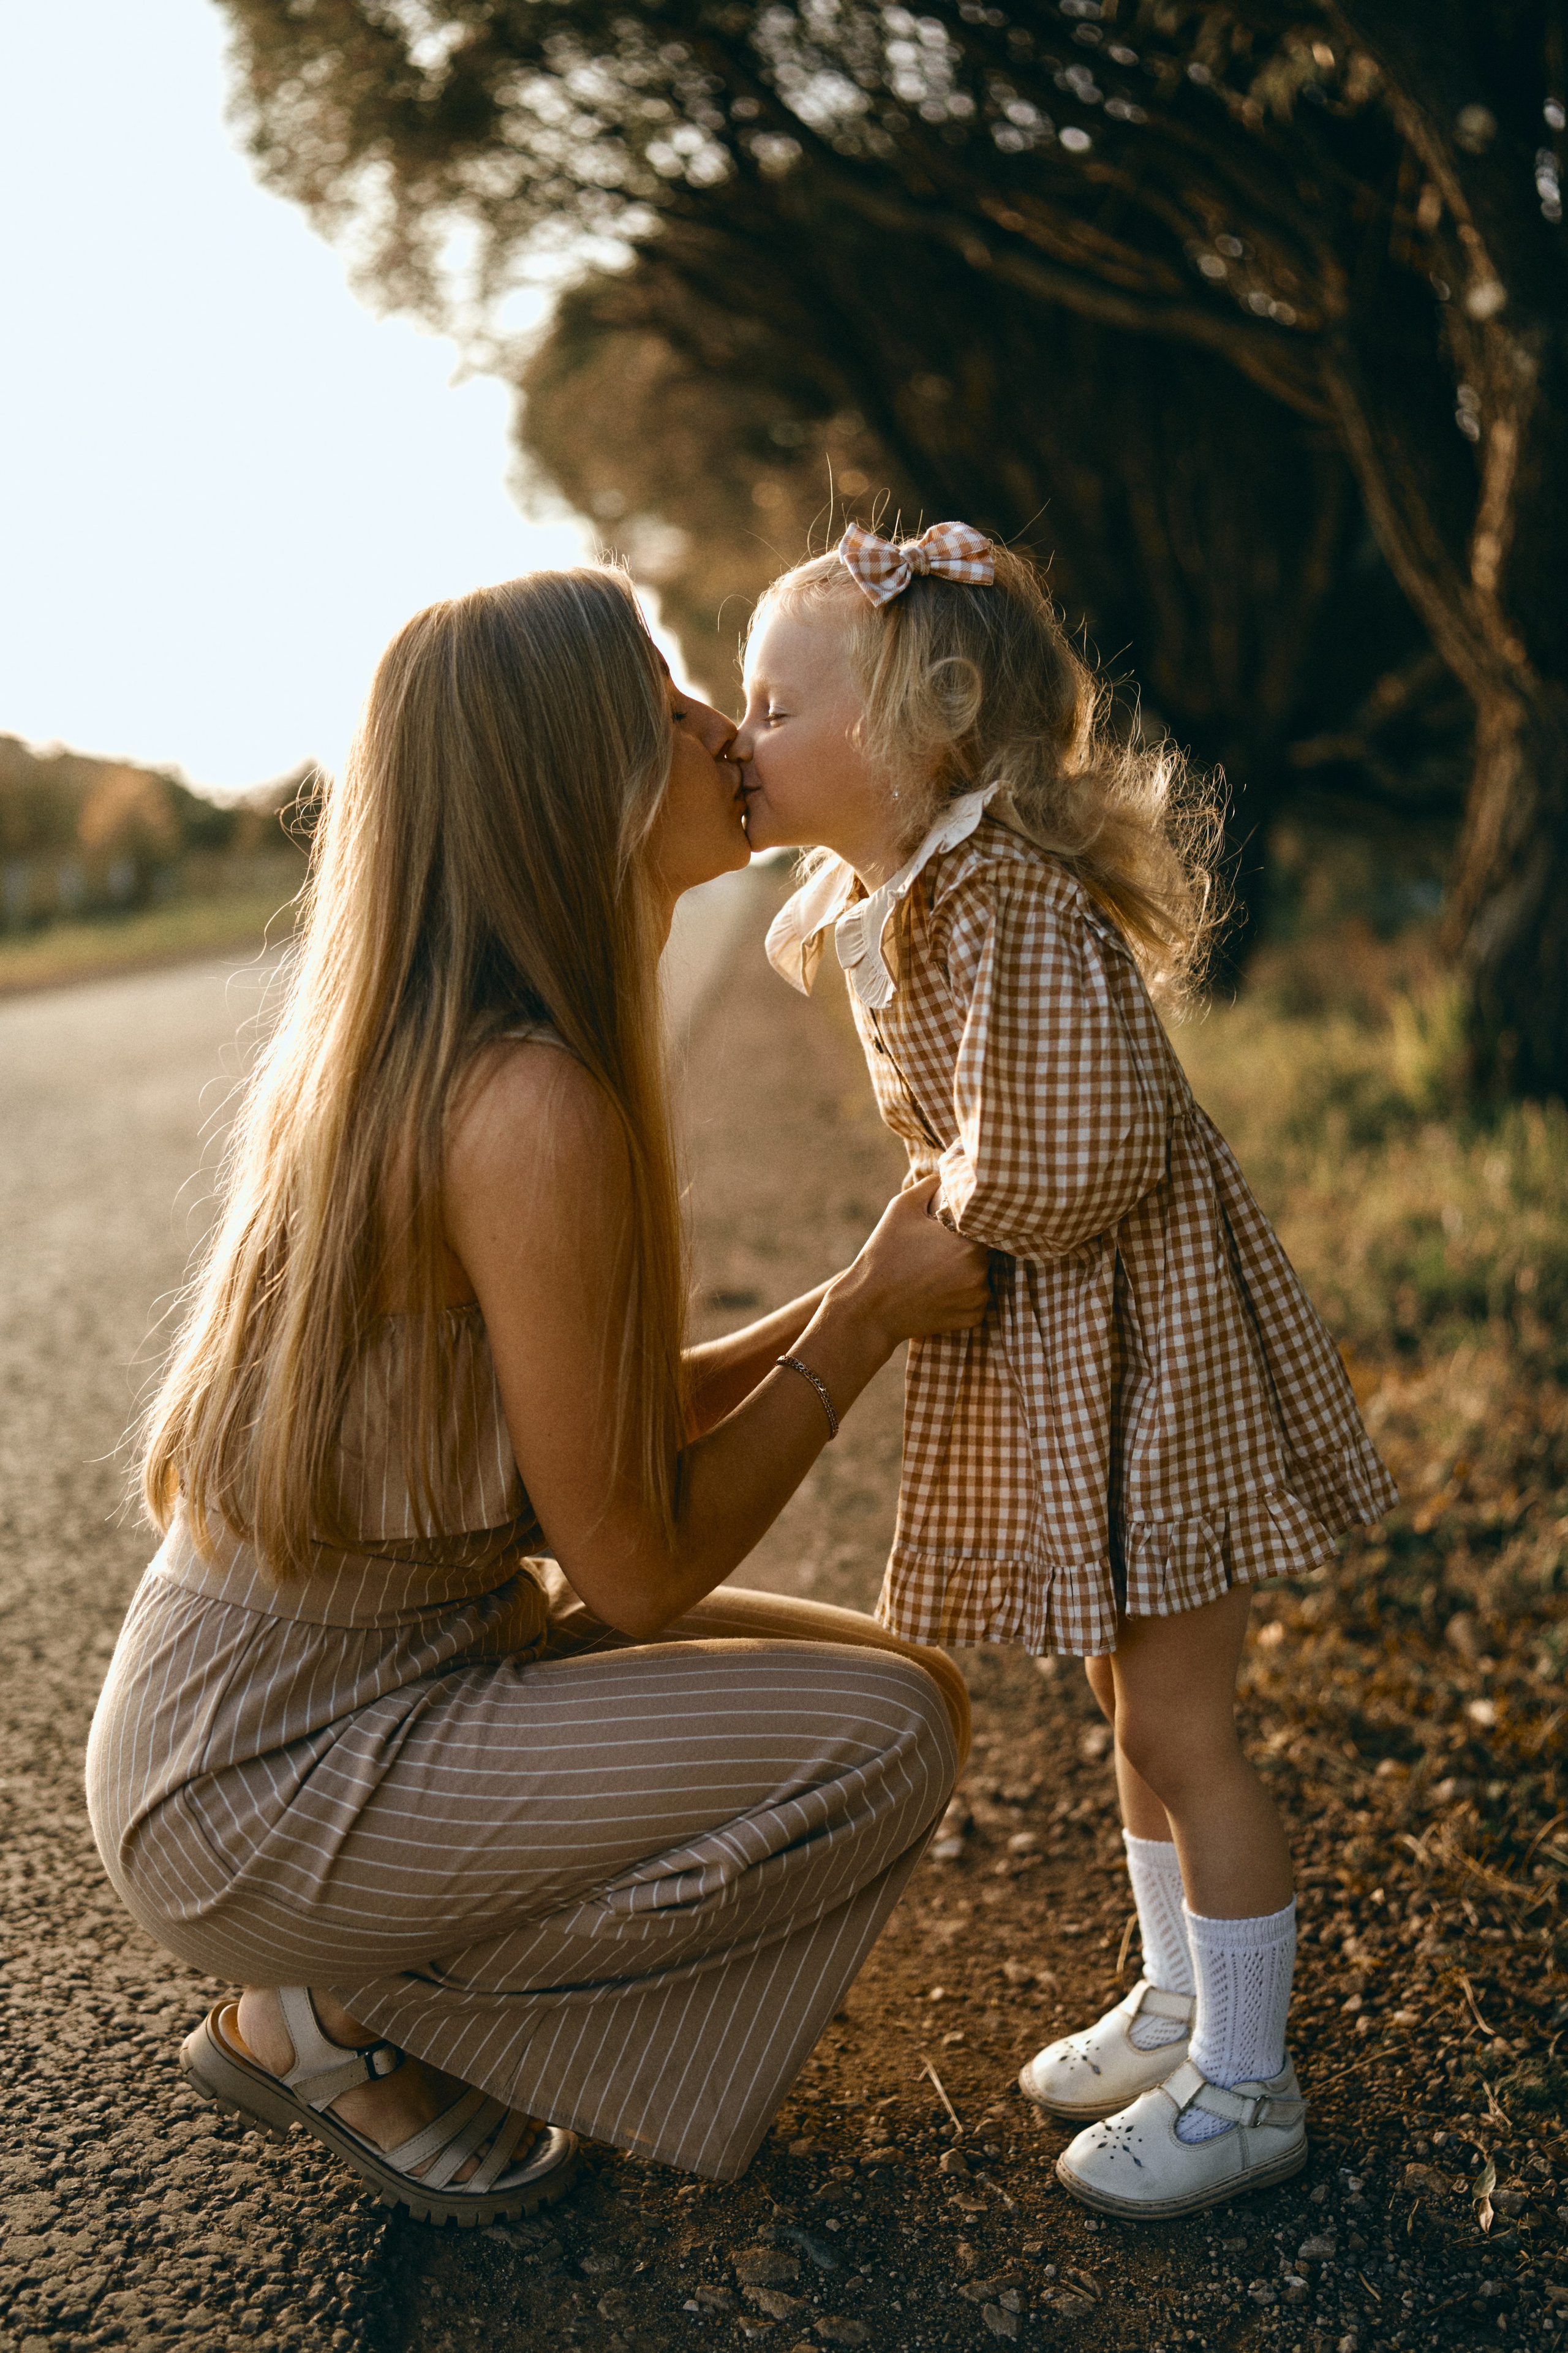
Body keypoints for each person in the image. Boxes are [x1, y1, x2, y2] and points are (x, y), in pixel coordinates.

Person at [86, 567, 992, 2226]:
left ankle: (347, 1986)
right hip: (261, 1779)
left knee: (905, 1685)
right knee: (881, 1744)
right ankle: (345, 2005)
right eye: (668, 711)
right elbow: (634, 1568)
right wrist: (857, 1328)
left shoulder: (502, 1054)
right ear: (576, 779)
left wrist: (861, 1290)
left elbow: (611, 1417)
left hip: (359, 1701)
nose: (724, 728)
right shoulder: (528, 1103)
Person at [733, 521, 1398, 2221]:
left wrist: (963, 1199)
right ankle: (1181, 1999)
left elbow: (1088, 1151)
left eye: (776, 703)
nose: (745, 736)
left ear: (918, 725)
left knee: (1186, 1724)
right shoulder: (917, 894)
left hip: (1151, 1356)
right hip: (1086, 1354)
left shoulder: (1010, 898)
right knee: (1125, 1703)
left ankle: (1251, 2083)